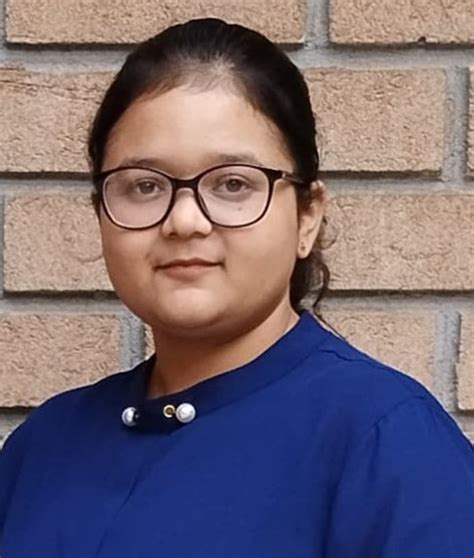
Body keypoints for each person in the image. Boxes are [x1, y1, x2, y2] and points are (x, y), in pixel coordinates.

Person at [0, 17, 473, 558]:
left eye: (232, 184)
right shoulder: (45, 444)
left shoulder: (387, 441)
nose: (184, 221)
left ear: (307, 216)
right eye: (144, 186)